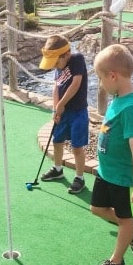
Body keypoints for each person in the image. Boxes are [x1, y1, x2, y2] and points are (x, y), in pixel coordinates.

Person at [88, 44, 133, 265]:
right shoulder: (117, 98)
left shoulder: (131, 107)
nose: (101, 84)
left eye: (102, 79)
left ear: (113, 76)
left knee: (123, 220)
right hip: (106, 172)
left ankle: (117, 262)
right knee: (97, 209)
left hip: (122, 178)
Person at [39, 34, 89, 194]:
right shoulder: (59, 67)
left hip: (78, 112)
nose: (55, 66)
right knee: (57, 140)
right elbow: (56, 87)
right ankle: (58, 169)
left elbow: (75, 84)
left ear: (66, 54)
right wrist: (56, 108)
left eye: (56, 62)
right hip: (63, 112)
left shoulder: (77, 59)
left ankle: (79, 178)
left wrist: (61, 104)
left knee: (77, 147)